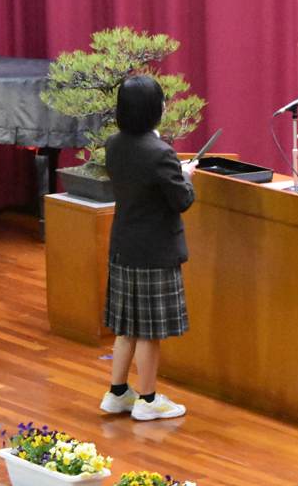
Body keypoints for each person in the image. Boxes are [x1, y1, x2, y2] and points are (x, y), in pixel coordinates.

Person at [99, 75, 197, 421]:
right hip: (154, 253)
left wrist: (174, 173)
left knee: (126, 326)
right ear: (155, 109)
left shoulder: (113, 143)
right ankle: (149, 399)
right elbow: (182, 200)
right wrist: (185, 176)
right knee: (149, 332)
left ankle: (117, 394)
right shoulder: (161, 153)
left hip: (123, 247)